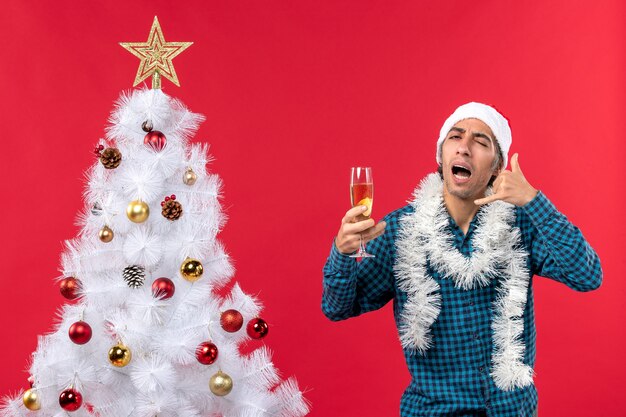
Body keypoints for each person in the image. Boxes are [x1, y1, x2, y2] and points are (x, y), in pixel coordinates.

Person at [321, 102, 602, 417]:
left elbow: (587, 275)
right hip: (433, 411)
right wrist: (343, 253)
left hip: (513, 410)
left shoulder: (521, 224)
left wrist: (533, 200)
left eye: (481, 142)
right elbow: (337, 308)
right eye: (455, 137)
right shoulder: (401, 230)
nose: (465, 148)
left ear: (497, 167)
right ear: (441, 157)